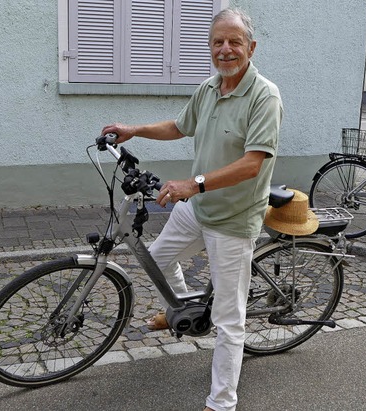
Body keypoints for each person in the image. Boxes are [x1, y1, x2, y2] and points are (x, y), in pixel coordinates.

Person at [101, 7, 283, 411]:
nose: (226, 49)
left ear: (251, 47)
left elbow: (254, 162)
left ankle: (221, 402)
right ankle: (182, 307)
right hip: (198, 207)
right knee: (156, 259)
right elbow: (179, 127)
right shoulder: (209, 88)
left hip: (234, 220)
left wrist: (193, 184)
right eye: (218, 42)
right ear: (209, 48)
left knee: (229, 320)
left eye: (234, 41)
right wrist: (135, 129)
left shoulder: (264, 96)